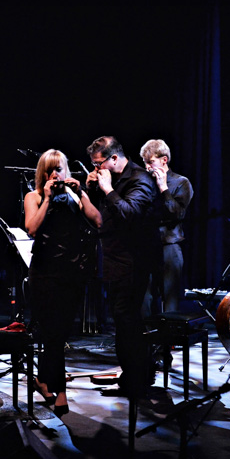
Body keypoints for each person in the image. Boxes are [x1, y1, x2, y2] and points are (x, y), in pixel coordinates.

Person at [24, 149, 102, 417]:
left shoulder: (74, 195)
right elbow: (32, 228)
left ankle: (42, 380)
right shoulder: (34, 196)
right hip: (45, 272)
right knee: (52, 333)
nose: (55, 174)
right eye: (50, 170)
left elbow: (97, 221)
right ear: (42, 173)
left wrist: (82, 194)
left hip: (72, 271)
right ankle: (60, 392)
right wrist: (47, 198)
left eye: (59, 169)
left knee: (60, 332)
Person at [86, 136, 159, 398]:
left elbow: (130, 214)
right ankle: (134, 377)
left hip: (133, 262)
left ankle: (136, 381)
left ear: (114, 158)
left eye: (99, 164)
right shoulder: (113, 178)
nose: (97, 169)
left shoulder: (140, 179)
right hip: (114, 259)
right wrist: (92, 189)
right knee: (123, 320)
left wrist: (107, 189)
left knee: (128, 320)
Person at [140, 139, 193, 316]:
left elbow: (177, 214)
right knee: (144, 298)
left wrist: (163, 188)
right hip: (146, 246)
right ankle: (146, 333)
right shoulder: (144, 182)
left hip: (169, 246)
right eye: (145, 163)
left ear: (164, 160)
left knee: (169, 299)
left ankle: (168, 334)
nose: (147, 167)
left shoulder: (181, 182)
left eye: (151, 162)